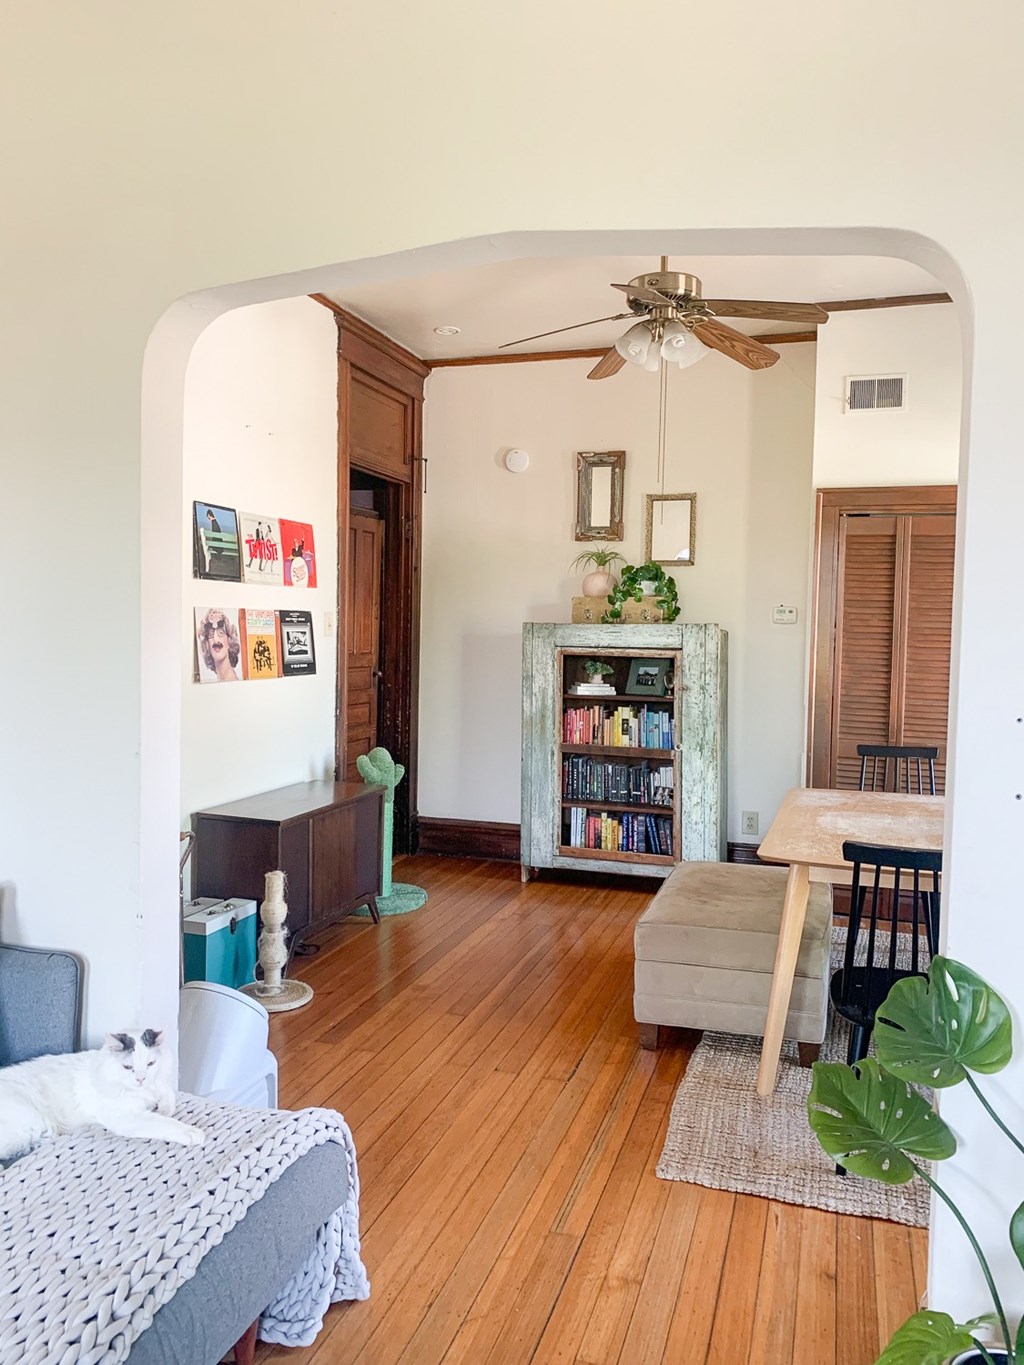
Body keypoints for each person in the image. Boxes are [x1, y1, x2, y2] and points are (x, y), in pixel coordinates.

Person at [197, 609, 241, 682]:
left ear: (229, 641)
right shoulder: (220, 680)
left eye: (221, 633)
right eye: (211, 634)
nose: (215, 640)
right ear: (207, 644)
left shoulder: (231, 680)